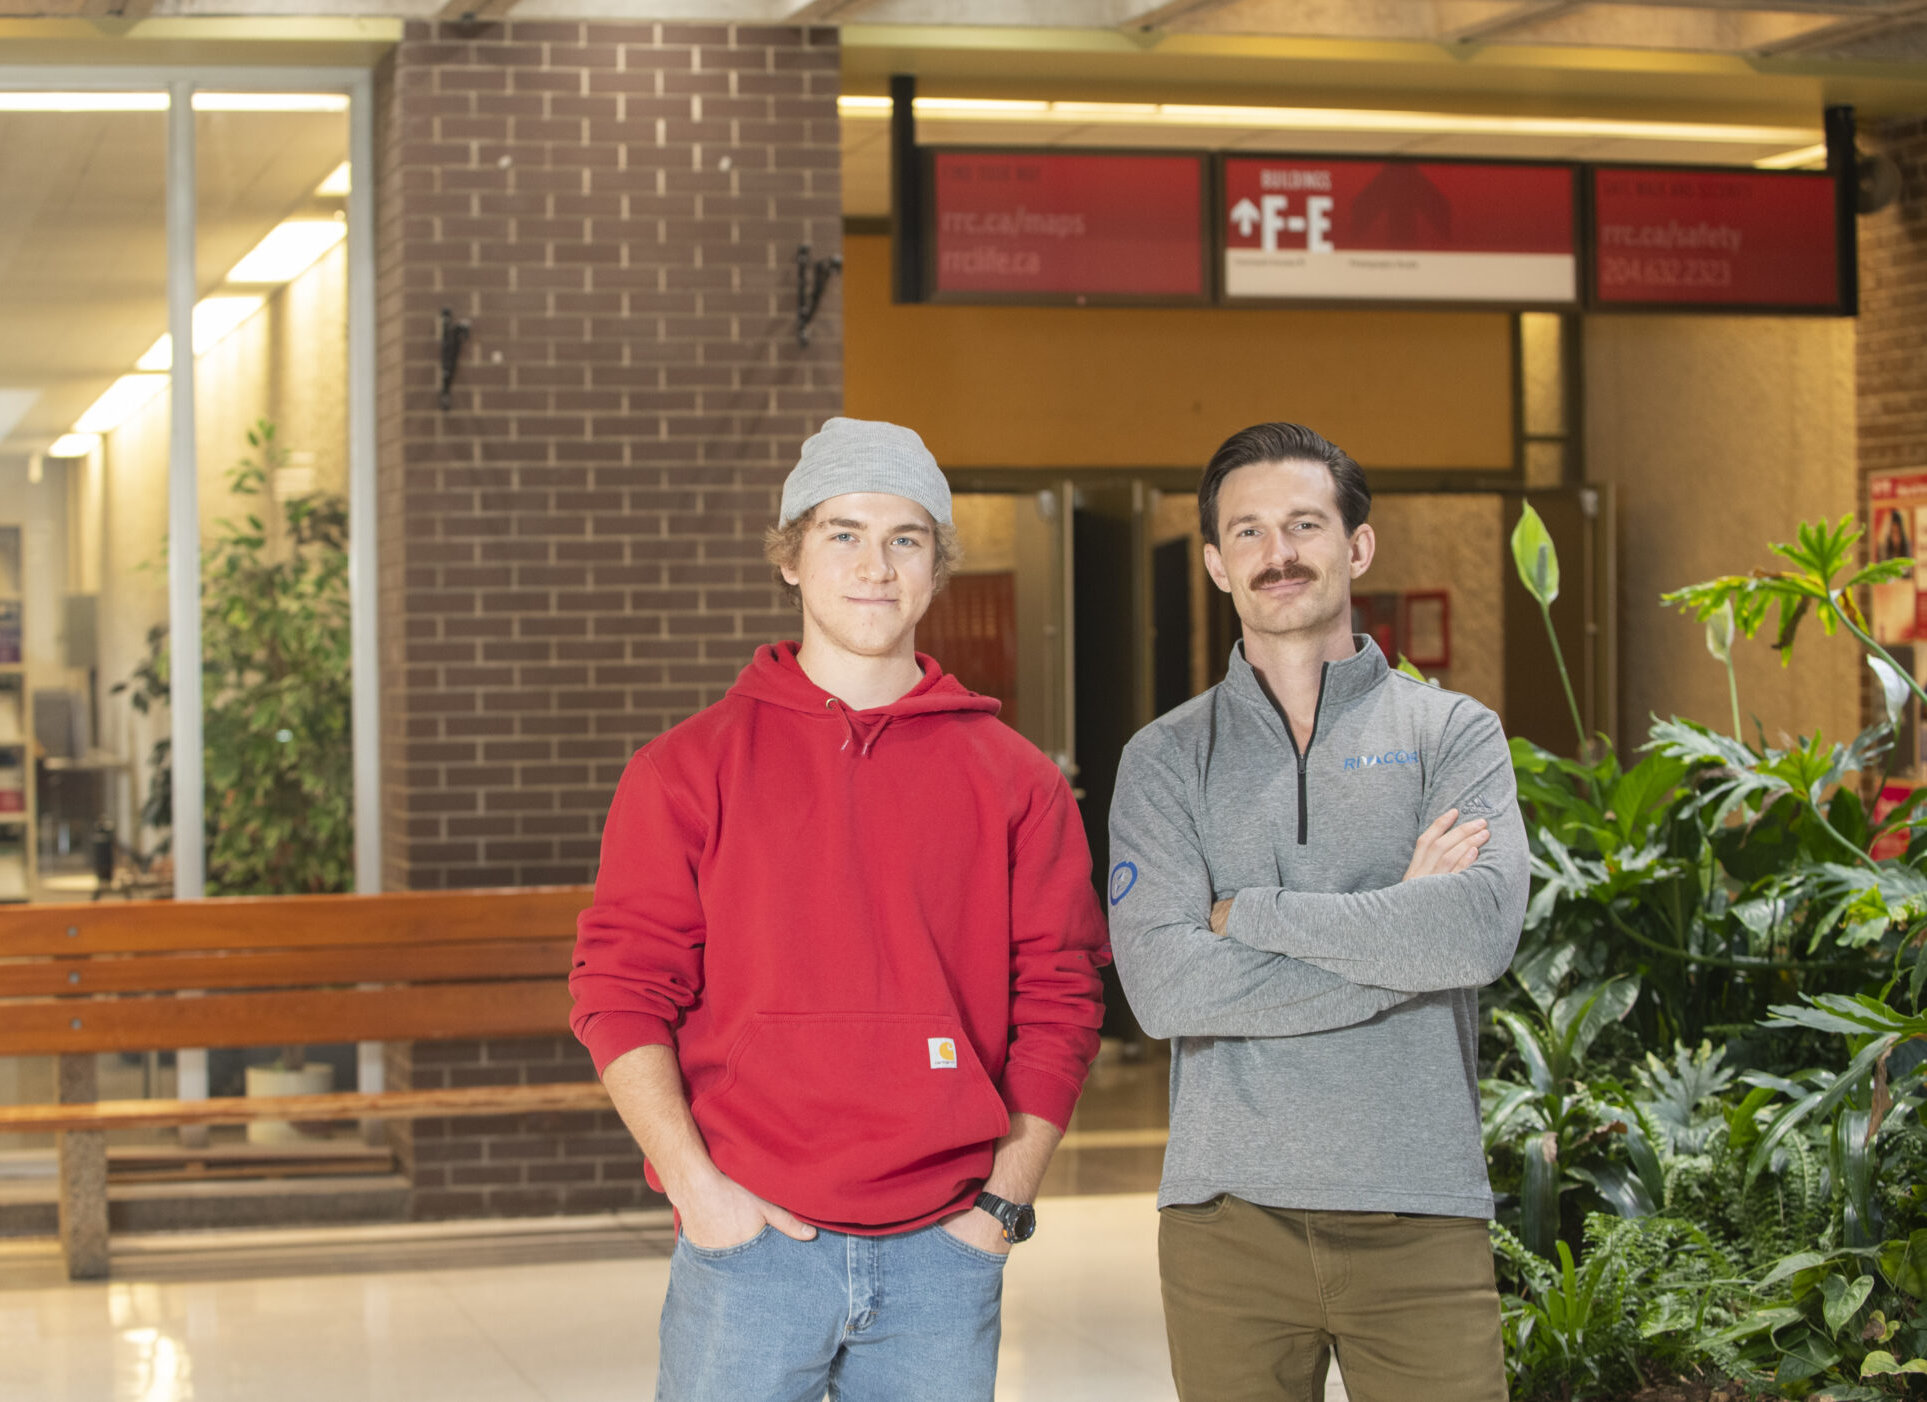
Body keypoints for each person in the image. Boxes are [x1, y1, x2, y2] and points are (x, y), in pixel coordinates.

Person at [569, 417, 1110, 1402]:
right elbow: (617, 993)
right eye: (842, 534)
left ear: (935, 566)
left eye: (904, 538)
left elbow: (1061, 1002)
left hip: (941, 1255)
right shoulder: (682, 771)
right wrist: (698, 1190)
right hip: (748, 1246)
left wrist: (999, 1206)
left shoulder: (1015, 781)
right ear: (791, 557)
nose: (874, 565)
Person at [1107, 422, 1530, 1402]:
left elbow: (1471, 933)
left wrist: (1249, 912)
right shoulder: (1165, 759)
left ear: (1356, 544)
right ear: (1214, 561)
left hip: (1418, 1212)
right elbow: (1166, 990)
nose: (1277, 553)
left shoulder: (1450, 735)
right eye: (1246, 532)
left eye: (1303, 523)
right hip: (1226, 1220)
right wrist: (1397, 930)